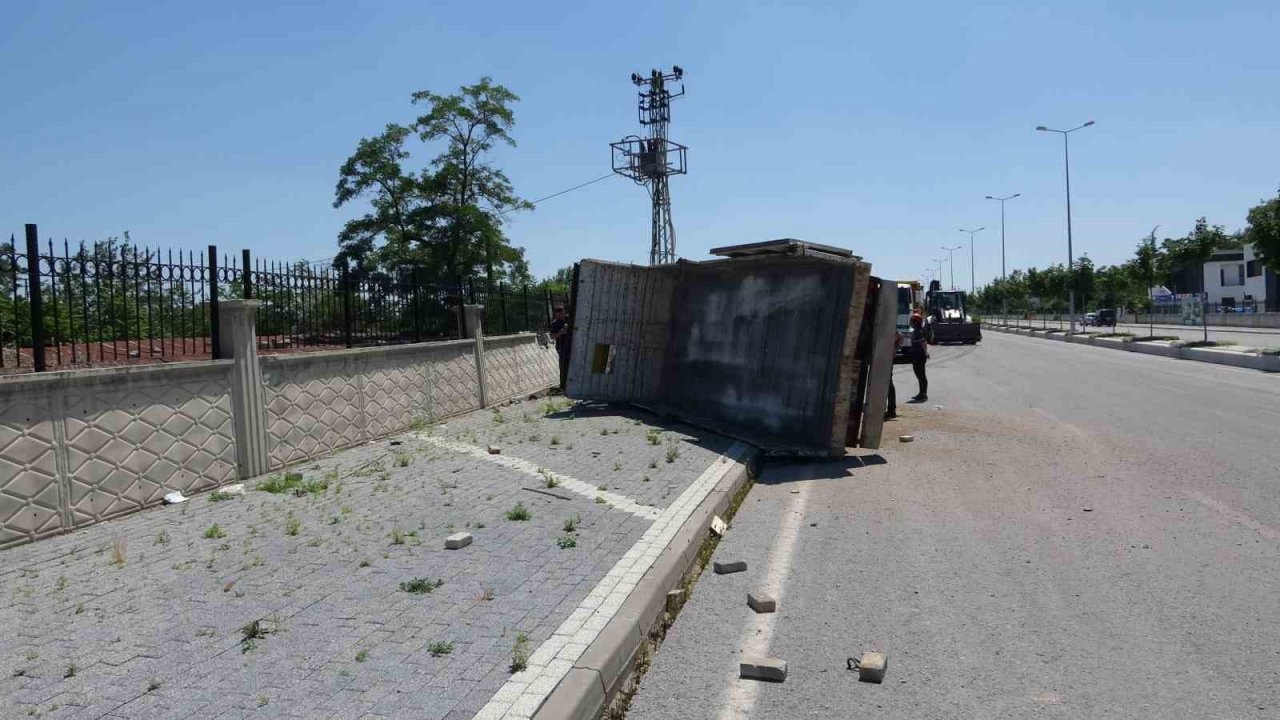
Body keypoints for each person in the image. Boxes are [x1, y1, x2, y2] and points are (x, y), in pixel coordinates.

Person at [549, 304, 570, 389]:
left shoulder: (569, 319)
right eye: (558, 314)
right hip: (561, 346)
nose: (560, 315)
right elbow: (552, 336)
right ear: (556, 314)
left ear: (564, 312)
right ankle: (564, 384)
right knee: (563, 365)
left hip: (572, 345)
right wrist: (561, 332)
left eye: (562, 313)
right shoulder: (555, 323)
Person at [909, 313, 929, 402]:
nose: (911, 323)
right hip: (916, 355)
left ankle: (923, 394)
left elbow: (923, 343)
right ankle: (921, 393)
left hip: (920, 356)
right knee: (919, 375)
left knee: (921, 375)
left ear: (916, 322)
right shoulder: (916, 331)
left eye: (912, 321)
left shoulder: (919, 332)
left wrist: (926, 353)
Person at [886, 329, 904, 420]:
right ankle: (890, 409)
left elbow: (900, 336)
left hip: (886, 360)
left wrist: (894, 349)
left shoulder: (889, 328)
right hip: (883, 358)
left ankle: (891, 409)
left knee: (888, 384)